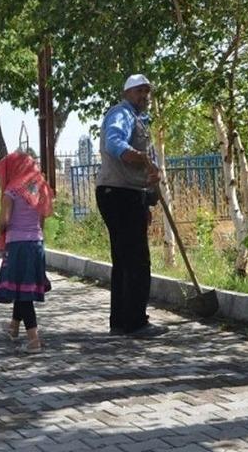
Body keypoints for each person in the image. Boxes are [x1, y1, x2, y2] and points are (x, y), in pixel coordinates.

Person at [95, 74, 169, 338]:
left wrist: (148, 190)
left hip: (127, 194)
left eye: (147, 91)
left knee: (125, 259)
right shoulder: (122, 114)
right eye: (139, 91)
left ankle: (120, 322)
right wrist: (142, 159)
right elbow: (115, 143)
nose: (144, 96)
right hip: (120, 193)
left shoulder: (140, 121)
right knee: (136, 260)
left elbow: (143, 165)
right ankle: (136, 323)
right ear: (127, 93)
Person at [0, 152, 54, 353]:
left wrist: (0, 229)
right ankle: (13, 327)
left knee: (23, 293)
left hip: (18, 245)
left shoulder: (12, 190)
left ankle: (34, 340)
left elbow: (4, 220)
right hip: (36, 243)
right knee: (22, 286)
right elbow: (42, 218)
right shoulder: (39, 187)